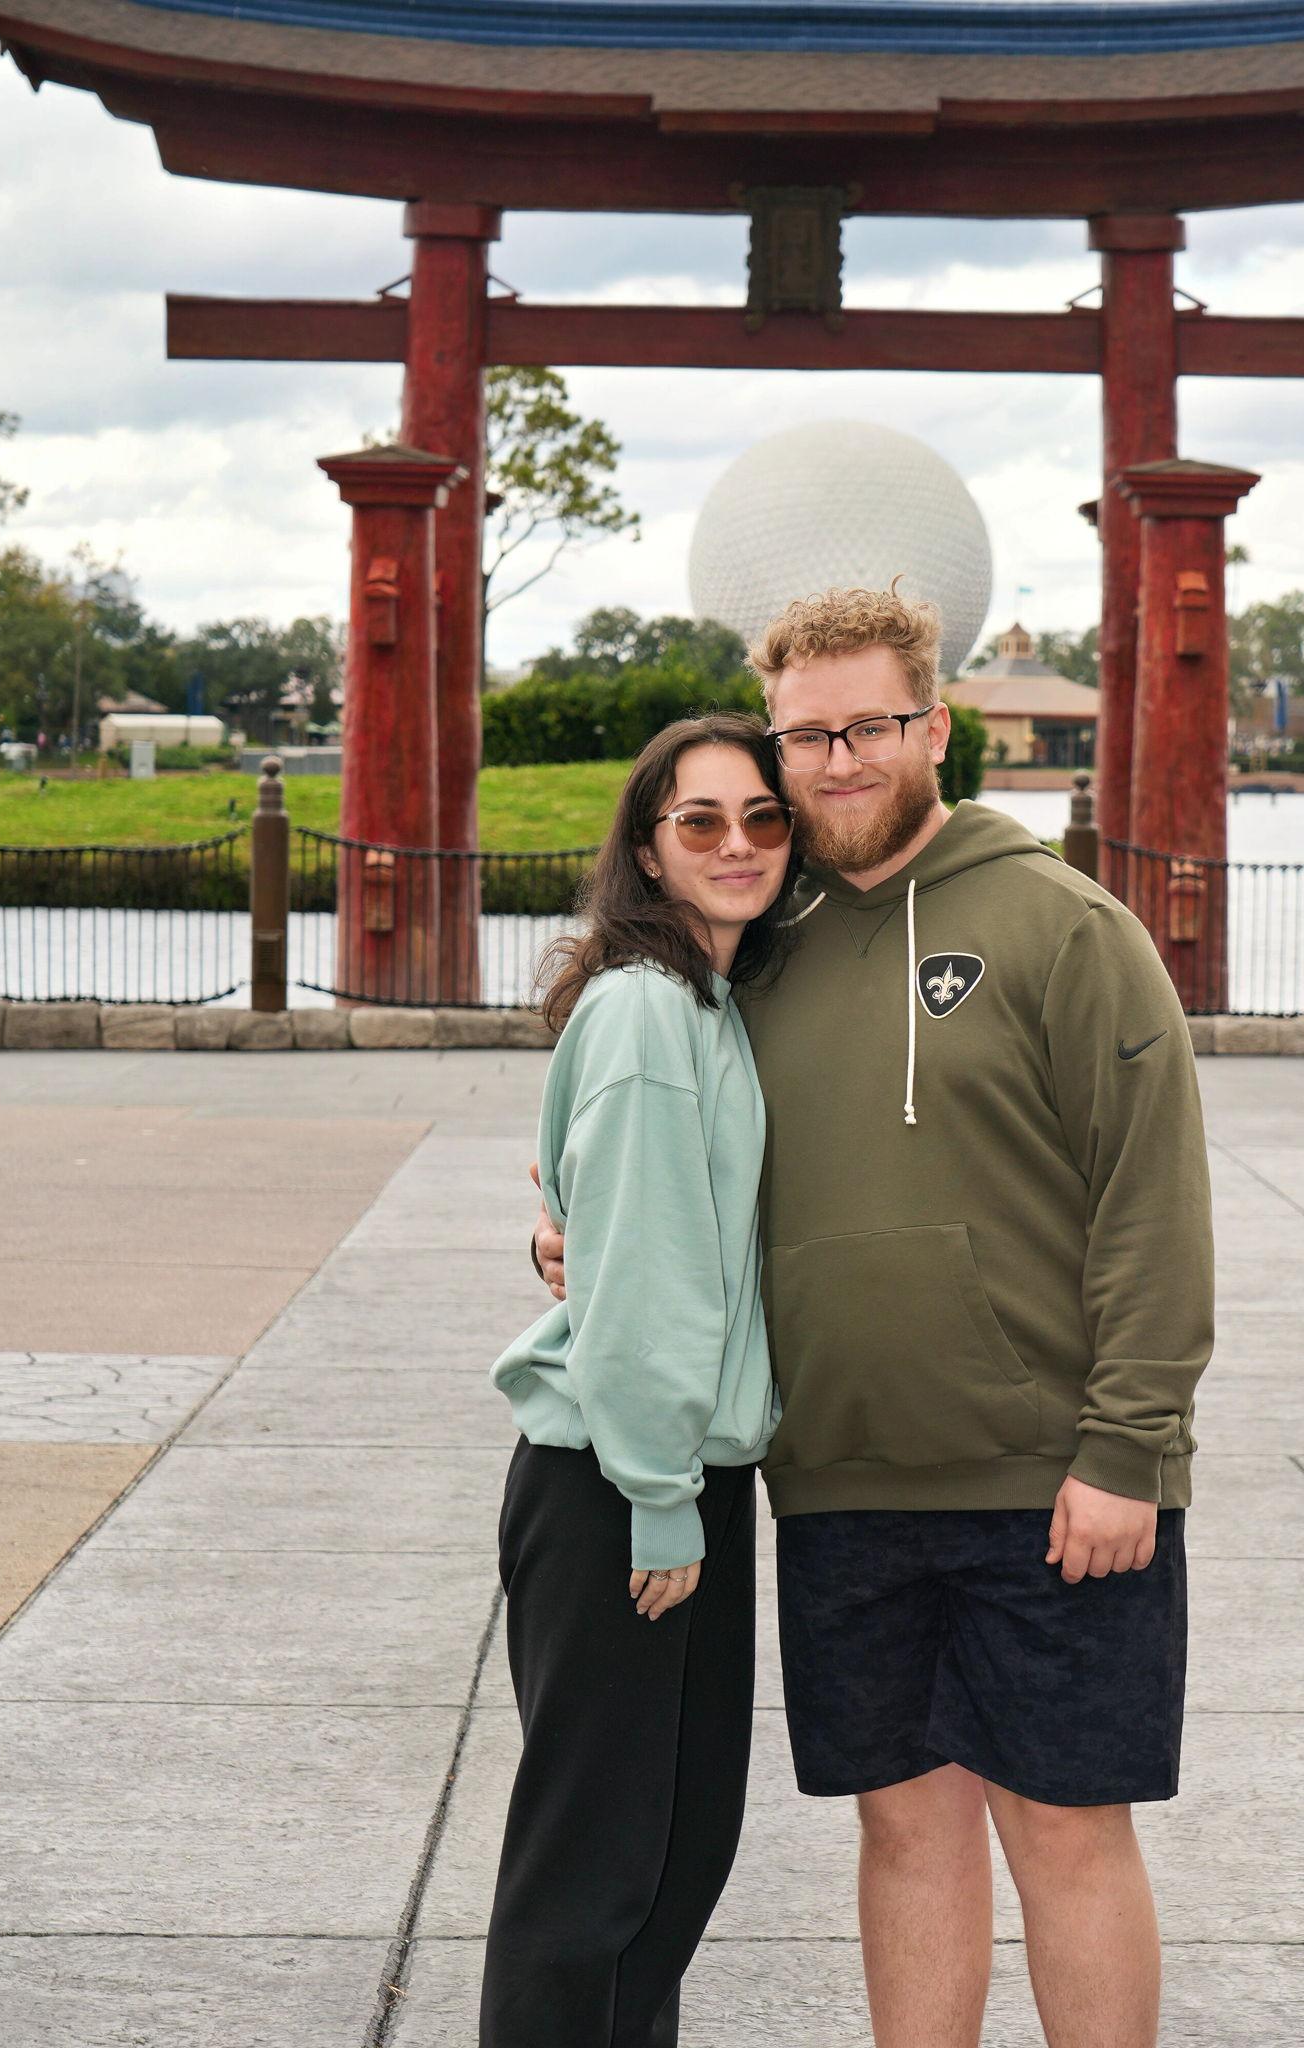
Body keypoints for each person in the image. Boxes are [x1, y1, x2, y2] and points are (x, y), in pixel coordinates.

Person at [534, 586, 1215, 2048]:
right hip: (836, 1486)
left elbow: (1153, 1203)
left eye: (871, 727)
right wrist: (570, 1222)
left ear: (936, 727)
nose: (838, 762)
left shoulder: (1065, 926)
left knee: (1067, 1836)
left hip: (1051, 1486)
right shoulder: (759, 949)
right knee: (904, 1831)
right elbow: (666, 1146)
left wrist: (1130, 1448)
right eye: (808, 736)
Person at [480, 713, 797, 2048]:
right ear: (650, 851)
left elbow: (617, 1228)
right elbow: (650, 1283)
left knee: (667, 1869)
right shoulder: (649, 1013)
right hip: (620, 1486)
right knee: (594, 1879)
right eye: (700, 820)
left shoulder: (709, 1005)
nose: (737, 844)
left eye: (763, 818)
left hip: (671, 1475)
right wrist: (662, 1497)